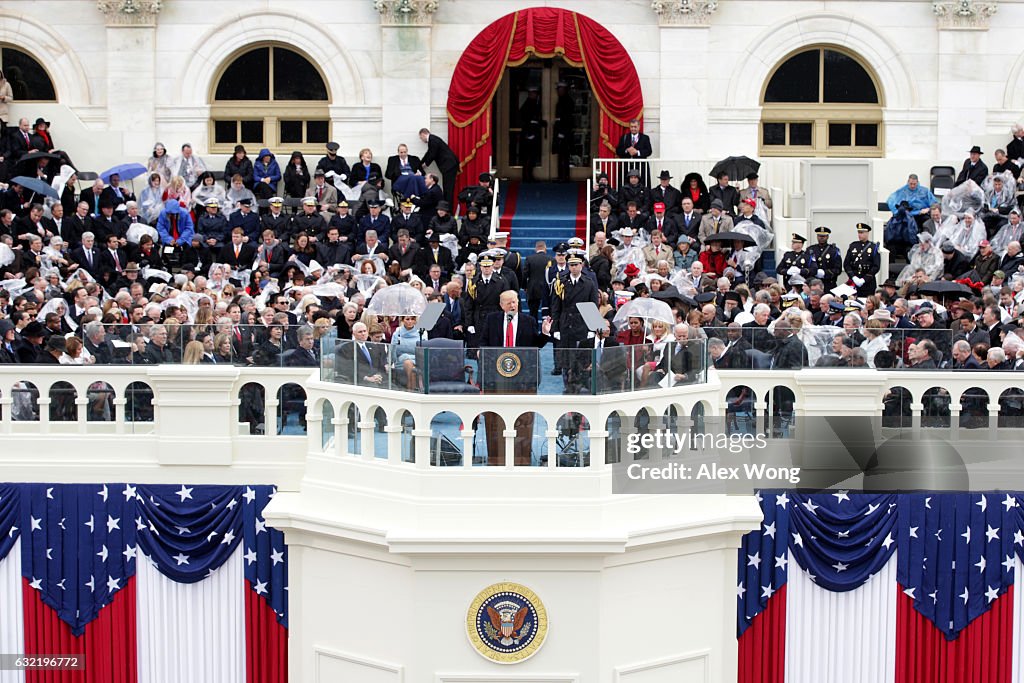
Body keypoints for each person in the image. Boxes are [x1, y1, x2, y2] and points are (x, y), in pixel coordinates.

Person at [549, 255, 599, 376]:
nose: (574, 268)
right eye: (571, 265)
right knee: (566, 358)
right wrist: (555, 328)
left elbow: (593, 306)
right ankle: (568, 384)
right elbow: (556, 307)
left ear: (581, 265)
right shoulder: (561, 282)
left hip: (582, 322)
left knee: (582, 358)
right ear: (568, 266)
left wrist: (592, 328)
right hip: (566, 322)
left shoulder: (589, 283)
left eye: (576, 265)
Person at [419, 128, 460, 205]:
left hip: (449, 166)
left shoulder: (432, 140)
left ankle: (448, 210)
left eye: (421, 138)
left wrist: (425, 164)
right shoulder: (433, 139)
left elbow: (432, 154)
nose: (421, 140)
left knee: (448, 189)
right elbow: (429, 153)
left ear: (423, 134)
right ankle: (446, 208)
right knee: (447, 188)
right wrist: (421, 163)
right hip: (449, 166)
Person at [844, 223, 881, 296]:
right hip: (854, 281)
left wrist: (864, 279)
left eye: (862, 232)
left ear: (867, 233)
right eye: (858, 232)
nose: (859, 235)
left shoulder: (873, 247)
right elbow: (846, 264)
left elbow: (876, 266)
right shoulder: (853, 246)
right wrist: (853, 277)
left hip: (868, 283)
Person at [614, 119, 652, 186]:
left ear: (639, 127)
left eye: (635, 127)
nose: (633, 129)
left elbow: (649, 151)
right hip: (626, 167)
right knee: (624, 185)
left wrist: (637, 152)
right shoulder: (624, 137)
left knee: (642, 185)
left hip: (640, 167)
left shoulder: (645, 138)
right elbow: (618, 150)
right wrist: (627, 150)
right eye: (631, 127)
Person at [805, 226, 843, 290]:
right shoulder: (810, 249)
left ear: (827, 237)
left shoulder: (834, 250)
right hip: (813, 283)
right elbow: (806, 267)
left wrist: (825, 273)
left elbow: (838, 269)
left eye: (823, 236)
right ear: (817, 236)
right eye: (819, 236)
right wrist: (814, 272)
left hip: (829, 283)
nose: (821, 238)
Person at [552, 81, 574, 181]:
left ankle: (564, 176)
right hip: (560, 130)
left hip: (565, 132)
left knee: (564, 156)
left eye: (560, 90)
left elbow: (567, 118)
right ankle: (561, 175)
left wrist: (562, 132)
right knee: (561, 155)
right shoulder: (561, 100)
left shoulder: (567, 101)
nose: (558, 92)